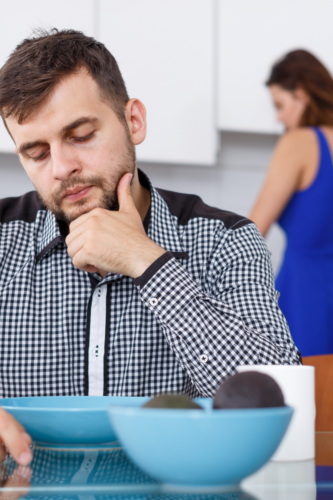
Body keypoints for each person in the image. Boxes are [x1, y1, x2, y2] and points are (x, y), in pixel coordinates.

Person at [0, 29, 301, 458]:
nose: (62, 167)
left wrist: (147, 261)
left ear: (133, 121)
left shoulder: (226, 241)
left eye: (81, 134)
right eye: (37, 153)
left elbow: (276, 398)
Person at [250, 50, 333, 357]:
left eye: (280, 105)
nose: (279, 117)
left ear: (303, 93)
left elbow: (252, 231)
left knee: (304, 400)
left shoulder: (299, 143)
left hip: (304, 298)